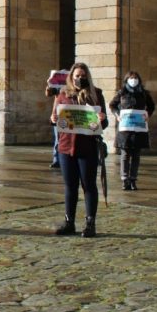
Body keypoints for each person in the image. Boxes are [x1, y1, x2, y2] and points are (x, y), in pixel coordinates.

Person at [50, 62, 109, 238]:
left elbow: (103, 124)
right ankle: (69, 222)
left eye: (83, 75)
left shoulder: (96, 94)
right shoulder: (62, 94)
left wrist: (101, 118)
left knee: (89, 186)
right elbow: (56, 120)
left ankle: (90, 223)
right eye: (76, 75)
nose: (79, 78)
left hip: (87, 147)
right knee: (70, 186)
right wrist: (53, 118)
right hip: (66, 147)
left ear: (87, 76)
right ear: (71, 77)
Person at [109, 71, 155, 191]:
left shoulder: (144, 94)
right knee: (125, 155)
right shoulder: (122, 93)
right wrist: (117, 115)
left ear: (139, 80)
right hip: (125, 129)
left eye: (135, 78)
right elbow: (112, 105)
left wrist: (147, 114)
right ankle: (125, 180)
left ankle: (133, 179)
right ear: (126, 80)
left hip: (139, 128)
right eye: (131, 78)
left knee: (136, 155)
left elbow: (151, 106)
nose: (133, 80)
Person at [46, 85, 60, 169]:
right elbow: (49, 93)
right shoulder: (58, 80)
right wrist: (49, 87)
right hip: (58, 113)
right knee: (57, 138)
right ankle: (56, 159)